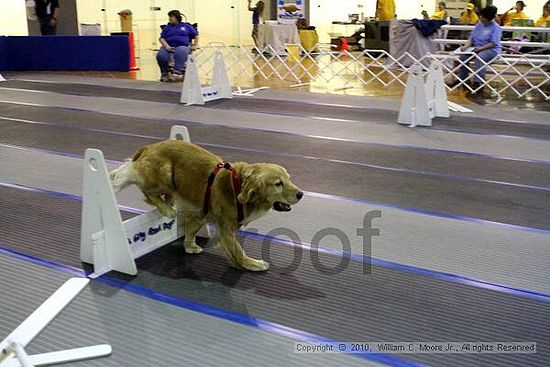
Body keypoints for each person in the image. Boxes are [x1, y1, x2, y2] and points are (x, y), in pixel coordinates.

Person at [457, 5, 502, 93]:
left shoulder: (496, 28)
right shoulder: (479, 25)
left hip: (491, 49)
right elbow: (472, 38)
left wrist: (480, 49)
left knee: (480, 57)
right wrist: (466, 46)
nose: (480, 18)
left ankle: (479, 82)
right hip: (476, 48)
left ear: (488, 18)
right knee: (463, 57)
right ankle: (463, 79)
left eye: (483, 17)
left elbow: (493, 43)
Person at [156, 10, 199, 82]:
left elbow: (196, 35)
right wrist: (166, 46)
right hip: (169, 46)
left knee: (180, 51)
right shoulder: (167, 28)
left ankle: (176, 73)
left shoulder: (186, 26)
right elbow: (161, 38)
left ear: (177, 17)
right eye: (169, 17)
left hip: (183, 46)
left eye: (171, 17)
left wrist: (195, 45)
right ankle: (164, 73)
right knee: (161, 55)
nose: (170, 19)